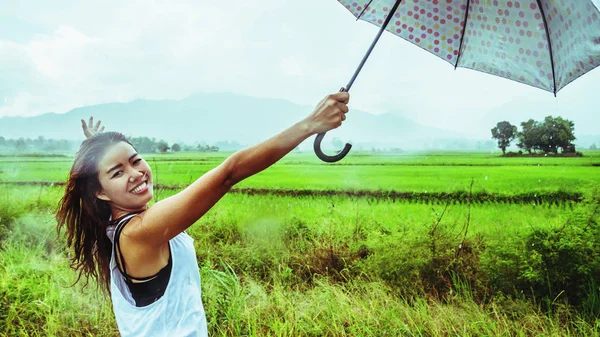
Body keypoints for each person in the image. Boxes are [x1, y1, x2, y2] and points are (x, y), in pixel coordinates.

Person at [56, 92, 350, 337]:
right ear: (101, 192)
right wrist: (310, 124)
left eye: (135, 161)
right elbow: (229, 173)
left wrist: (101, 152)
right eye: (118, 172)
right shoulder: (138, 233)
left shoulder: (123, 226)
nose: (135, 174)